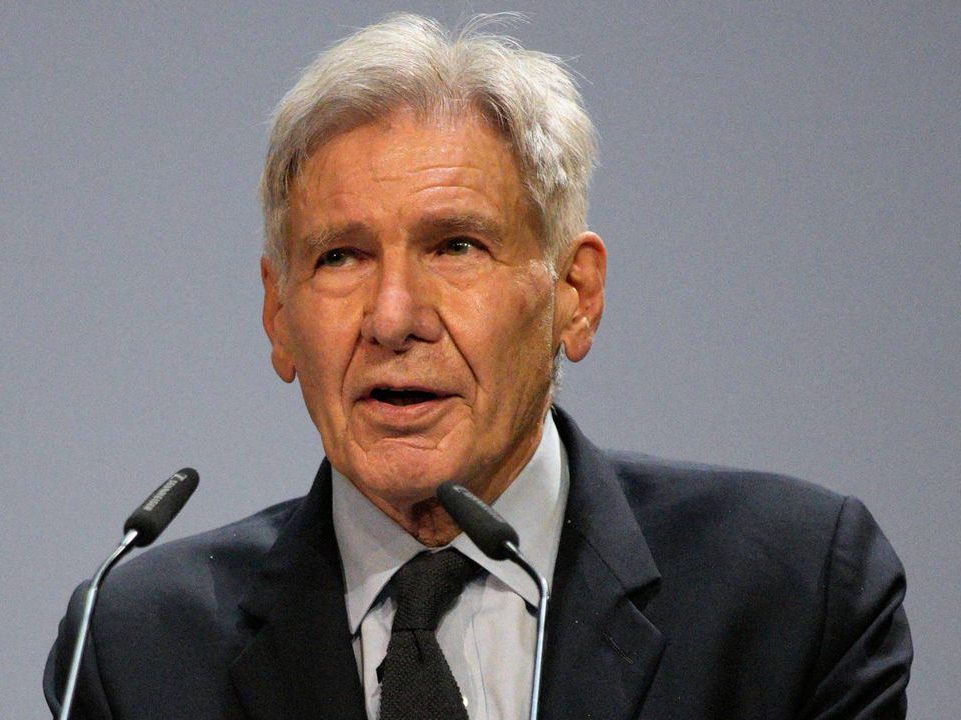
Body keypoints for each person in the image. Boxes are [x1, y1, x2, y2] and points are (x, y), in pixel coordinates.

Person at [45, 14, 911, 720]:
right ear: (279, 316)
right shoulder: (136, 650)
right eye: (341, 257)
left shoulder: (791, 597)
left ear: (575, 292)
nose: (392, 319)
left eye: (456, 246)